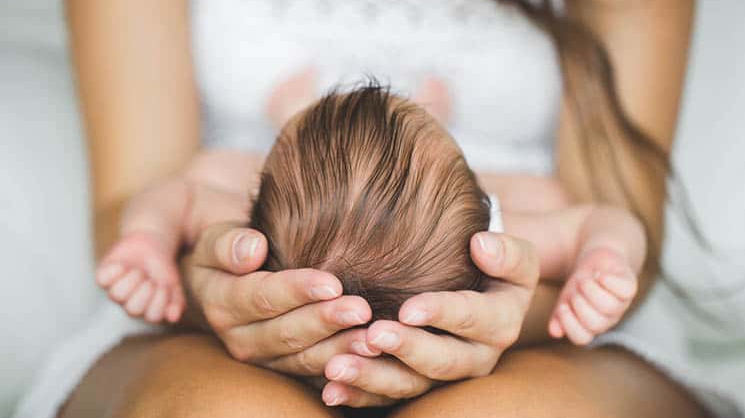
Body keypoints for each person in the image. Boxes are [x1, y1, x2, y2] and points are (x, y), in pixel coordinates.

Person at [16, 0, 745, 418]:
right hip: (214, 324)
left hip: (536, 326)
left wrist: (546, 299)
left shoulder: (513, 214)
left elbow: (615, 228)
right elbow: (145, 203)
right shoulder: (229, 196)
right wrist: (186, 278)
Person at [99, 87, 643, 340]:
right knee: (549, 196)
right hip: (470, 195)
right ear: (478, 203)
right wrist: (603, 259)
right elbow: (604, 219)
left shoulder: (250, 235)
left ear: (254, 203)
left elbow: (177, 196)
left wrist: (148, 240)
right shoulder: (494, 239)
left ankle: (289, 112)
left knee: (209, 165)